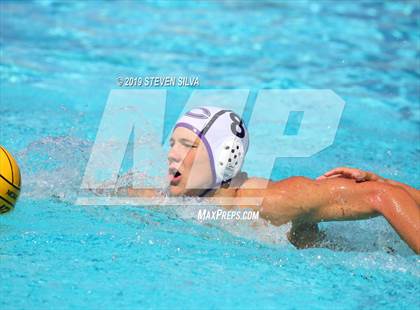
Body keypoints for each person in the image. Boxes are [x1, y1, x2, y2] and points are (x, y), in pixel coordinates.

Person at [124, 106, 419, 253]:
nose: (172, 154)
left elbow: (382, 196)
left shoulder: (276, 199)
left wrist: (385, 185)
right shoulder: (181, 196)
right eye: (173, 143)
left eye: (187, 146)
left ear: (224, 157)